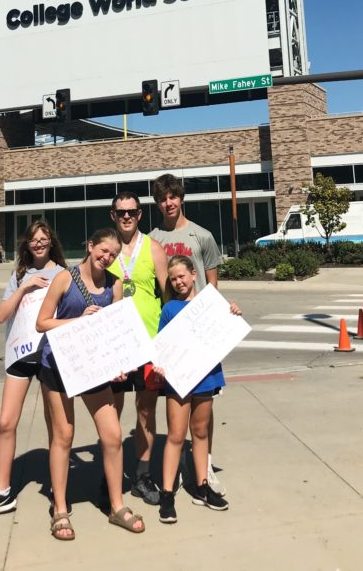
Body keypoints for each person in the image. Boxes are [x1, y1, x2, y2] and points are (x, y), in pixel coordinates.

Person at [36, 228, 145, 540]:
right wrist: (79, 321)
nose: (106, 258)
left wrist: (121, 364)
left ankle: (117, 507)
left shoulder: (115, 285)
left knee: (112, 435)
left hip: (92, 367)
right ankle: (59, 509)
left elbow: (113, 329)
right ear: (90, 246)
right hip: (57, 365)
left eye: (112, 254)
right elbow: (41, 322)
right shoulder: (65, 279)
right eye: (103, 251)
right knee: (64, 435)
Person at [0, 220, 67, 522]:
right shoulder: (19, 275)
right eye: (33, 240)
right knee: (5, 422)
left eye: (44, 238)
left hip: (51, 356)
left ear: (51, 242)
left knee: (56, 426)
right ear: (26, 244)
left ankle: (57, 486)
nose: (38, 243)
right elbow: (1, 316)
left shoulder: (63, 274)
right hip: (21, 355)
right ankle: (2, 493)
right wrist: (25, 286)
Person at [149, 172, 224, 494]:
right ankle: (177, 465)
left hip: (201, 332)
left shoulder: (202, 236)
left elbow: (213, 284)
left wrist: (212, 322)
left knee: (205, 407)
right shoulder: (152, 239)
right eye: (163, 199)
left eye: (173, 197)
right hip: (172, 331)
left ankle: (204, 465)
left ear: (181, 198)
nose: (168, 203)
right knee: (176, 403)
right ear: (157, 203)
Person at [154, 256, 242, 524]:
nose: (178, 282)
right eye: (173, 279)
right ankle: (167, 494)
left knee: (201, 431)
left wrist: (234, 312)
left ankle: (202, 487)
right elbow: (161, 346)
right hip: (179, 379)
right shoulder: (170, 308)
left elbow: (226, 329)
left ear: (194, 274)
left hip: (206, 376)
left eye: (182, 276)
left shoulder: (211, 304)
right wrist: (159, 365)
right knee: (176, 435)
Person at [108, 191, 168, 505]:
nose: (127, 217)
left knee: (146, 410)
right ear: (113, 216)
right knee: (111, 412)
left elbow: (169, 295)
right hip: (116, 347)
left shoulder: (154, 249)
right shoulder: (105, 250)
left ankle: (142, 476)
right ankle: (112, 475)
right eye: (121, 213)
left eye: (132, 212)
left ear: (140, 214)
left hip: (148, 345)